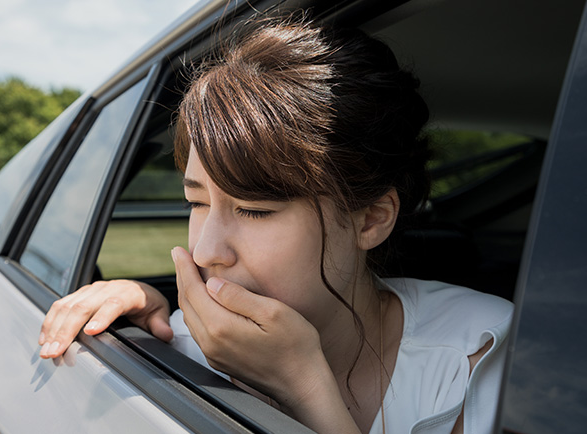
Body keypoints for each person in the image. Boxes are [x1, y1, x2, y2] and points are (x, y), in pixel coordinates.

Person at [38, 15, 513, 434]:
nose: (205, 252)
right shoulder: (178, 346)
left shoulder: (479, 353)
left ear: (371, 219)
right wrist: (143, 331)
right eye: (196, 202)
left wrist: (303, 386)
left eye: (254, 210)